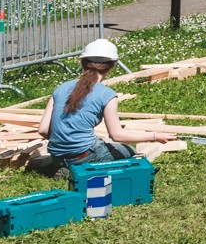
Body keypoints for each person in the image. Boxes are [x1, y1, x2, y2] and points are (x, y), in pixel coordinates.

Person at [37, 39, 176, 171]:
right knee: (129, 151)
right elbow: (117, 135)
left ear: (82, 62)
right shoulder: (106, 94)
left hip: (57, 156)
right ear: (112, 66)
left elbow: (43, 130)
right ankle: (87, 169)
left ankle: (66, 168)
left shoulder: (61, 88)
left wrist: (65, 143)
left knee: (98, 146)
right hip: (85, 155)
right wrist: (155, 136)